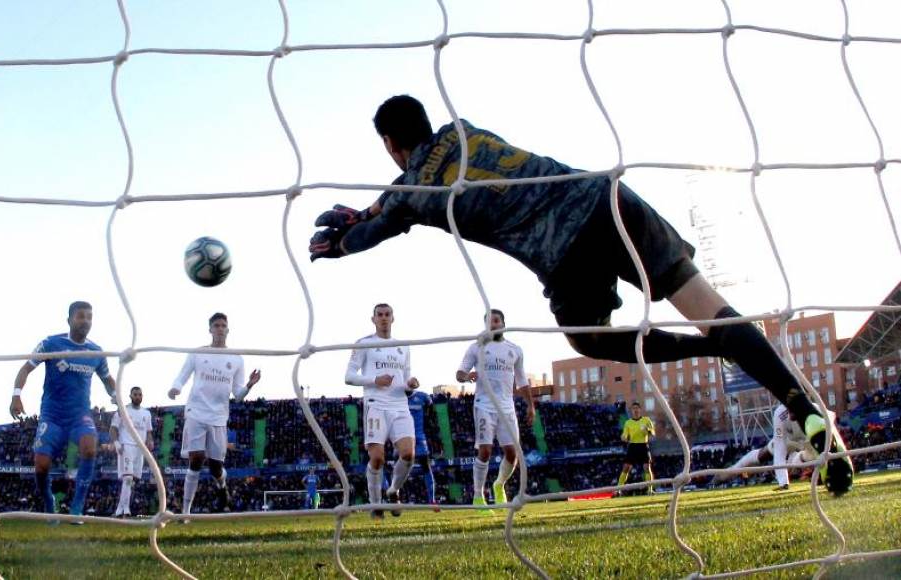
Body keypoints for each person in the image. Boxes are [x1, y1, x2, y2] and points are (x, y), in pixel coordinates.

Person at [309, 94, 853, 495]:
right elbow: (399, 190)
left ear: (388, 144)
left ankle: (710, 348)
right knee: (714, 309)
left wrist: (340, 240)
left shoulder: (411, 193)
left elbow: (373, 226)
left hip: (564, 251)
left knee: (591, 339)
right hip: (605, 195)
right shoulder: (459, 128)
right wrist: (371, 209)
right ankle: (804, 408)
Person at [10, 301, 117, 521]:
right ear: (69, 320)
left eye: (89, 316)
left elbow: (107, 380)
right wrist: (16, 395)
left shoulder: (96, 352)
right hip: (53, 416)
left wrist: (116, 397)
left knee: (89, 448)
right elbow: (26, 368)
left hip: (80, 416)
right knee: (41, 465)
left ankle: (77, 509)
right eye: (80, 316)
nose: (85, 320)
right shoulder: (51, 344)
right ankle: (50, 505)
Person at [168, 312, 261, 518]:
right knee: (196, 460)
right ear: (210, 329)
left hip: (219, 415)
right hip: (196, 411)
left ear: (228, 330)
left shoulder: (236, 358)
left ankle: (222, 486)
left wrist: (249, 385)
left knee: (216, 467)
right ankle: (186, 512)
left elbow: (237, 396)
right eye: (216, 325)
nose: (220, 329)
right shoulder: (198, 352)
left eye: (223, 325)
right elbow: (183, 374)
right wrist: (175, 388)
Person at [346, 303, 419, 519]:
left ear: (393, 318)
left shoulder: (403, 346)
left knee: (408, 454)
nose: (384, 318)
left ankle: (393, 491)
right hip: (376, 404)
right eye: (380, 315)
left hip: (399, 406)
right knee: (377, 458)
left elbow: (405, 381)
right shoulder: (364, 344)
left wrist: (410, 384)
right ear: (373, 319)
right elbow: (348, 376)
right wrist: (374, 379)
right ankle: (375, 504)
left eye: (387, 315)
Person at [456, 309, 535, 510]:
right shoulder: (477, 348)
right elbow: (459, 373)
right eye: (489, 322)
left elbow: (522, 380)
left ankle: (499, 484)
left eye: (496, 320)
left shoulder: (515, 350)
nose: (493, 324)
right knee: (485, 451)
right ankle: (478, 496)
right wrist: (466, 377)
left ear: (503, 323)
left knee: (512, 454)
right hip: (484, 405)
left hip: (507, 407)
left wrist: (530, 405)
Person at [715, 404, 817, 490]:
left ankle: (801, 459)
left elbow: (829, 441)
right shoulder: (781, 413)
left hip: (811, 442)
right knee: (764, 454)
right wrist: (783, 483)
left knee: (810, 457)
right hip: (788, 440)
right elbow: (779, 449)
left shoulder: (816, 411)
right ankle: (730, 472)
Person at [110, 386, 154, 517]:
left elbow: (149, 431)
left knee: (131, 480)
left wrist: (150, 441)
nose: (138, 397)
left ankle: (119, 509)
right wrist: (117, 443)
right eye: (135, 394)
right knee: (128, 477)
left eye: (140, 394)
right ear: (130, 396)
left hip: (140, 448)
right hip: (127, 446)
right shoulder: (123, 410)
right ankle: (126, 510)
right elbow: (113, 428)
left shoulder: (147, 413)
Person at [407, 388, 437, 508]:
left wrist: (429, 418)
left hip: (419, 437)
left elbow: (430, 405)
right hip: (403, 437)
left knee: (426, 466)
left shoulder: (422, 396)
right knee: (398, 467)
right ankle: (394, 498)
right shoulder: (397, 397)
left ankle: (432, 500)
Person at [616, 402, 655, 496]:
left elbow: (653, 433)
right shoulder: (628, 423)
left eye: (637, 408)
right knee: (626, 468)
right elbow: (624, 435)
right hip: (633, 446)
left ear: (640, 410)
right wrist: (624, 437)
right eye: (633, 408)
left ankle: (650, 489)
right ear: (631, 411)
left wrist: (648, 430)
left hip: (643, 445)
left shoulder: (646, 420)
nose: (635, 410)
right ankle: (618, 489)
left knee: (647, 467)